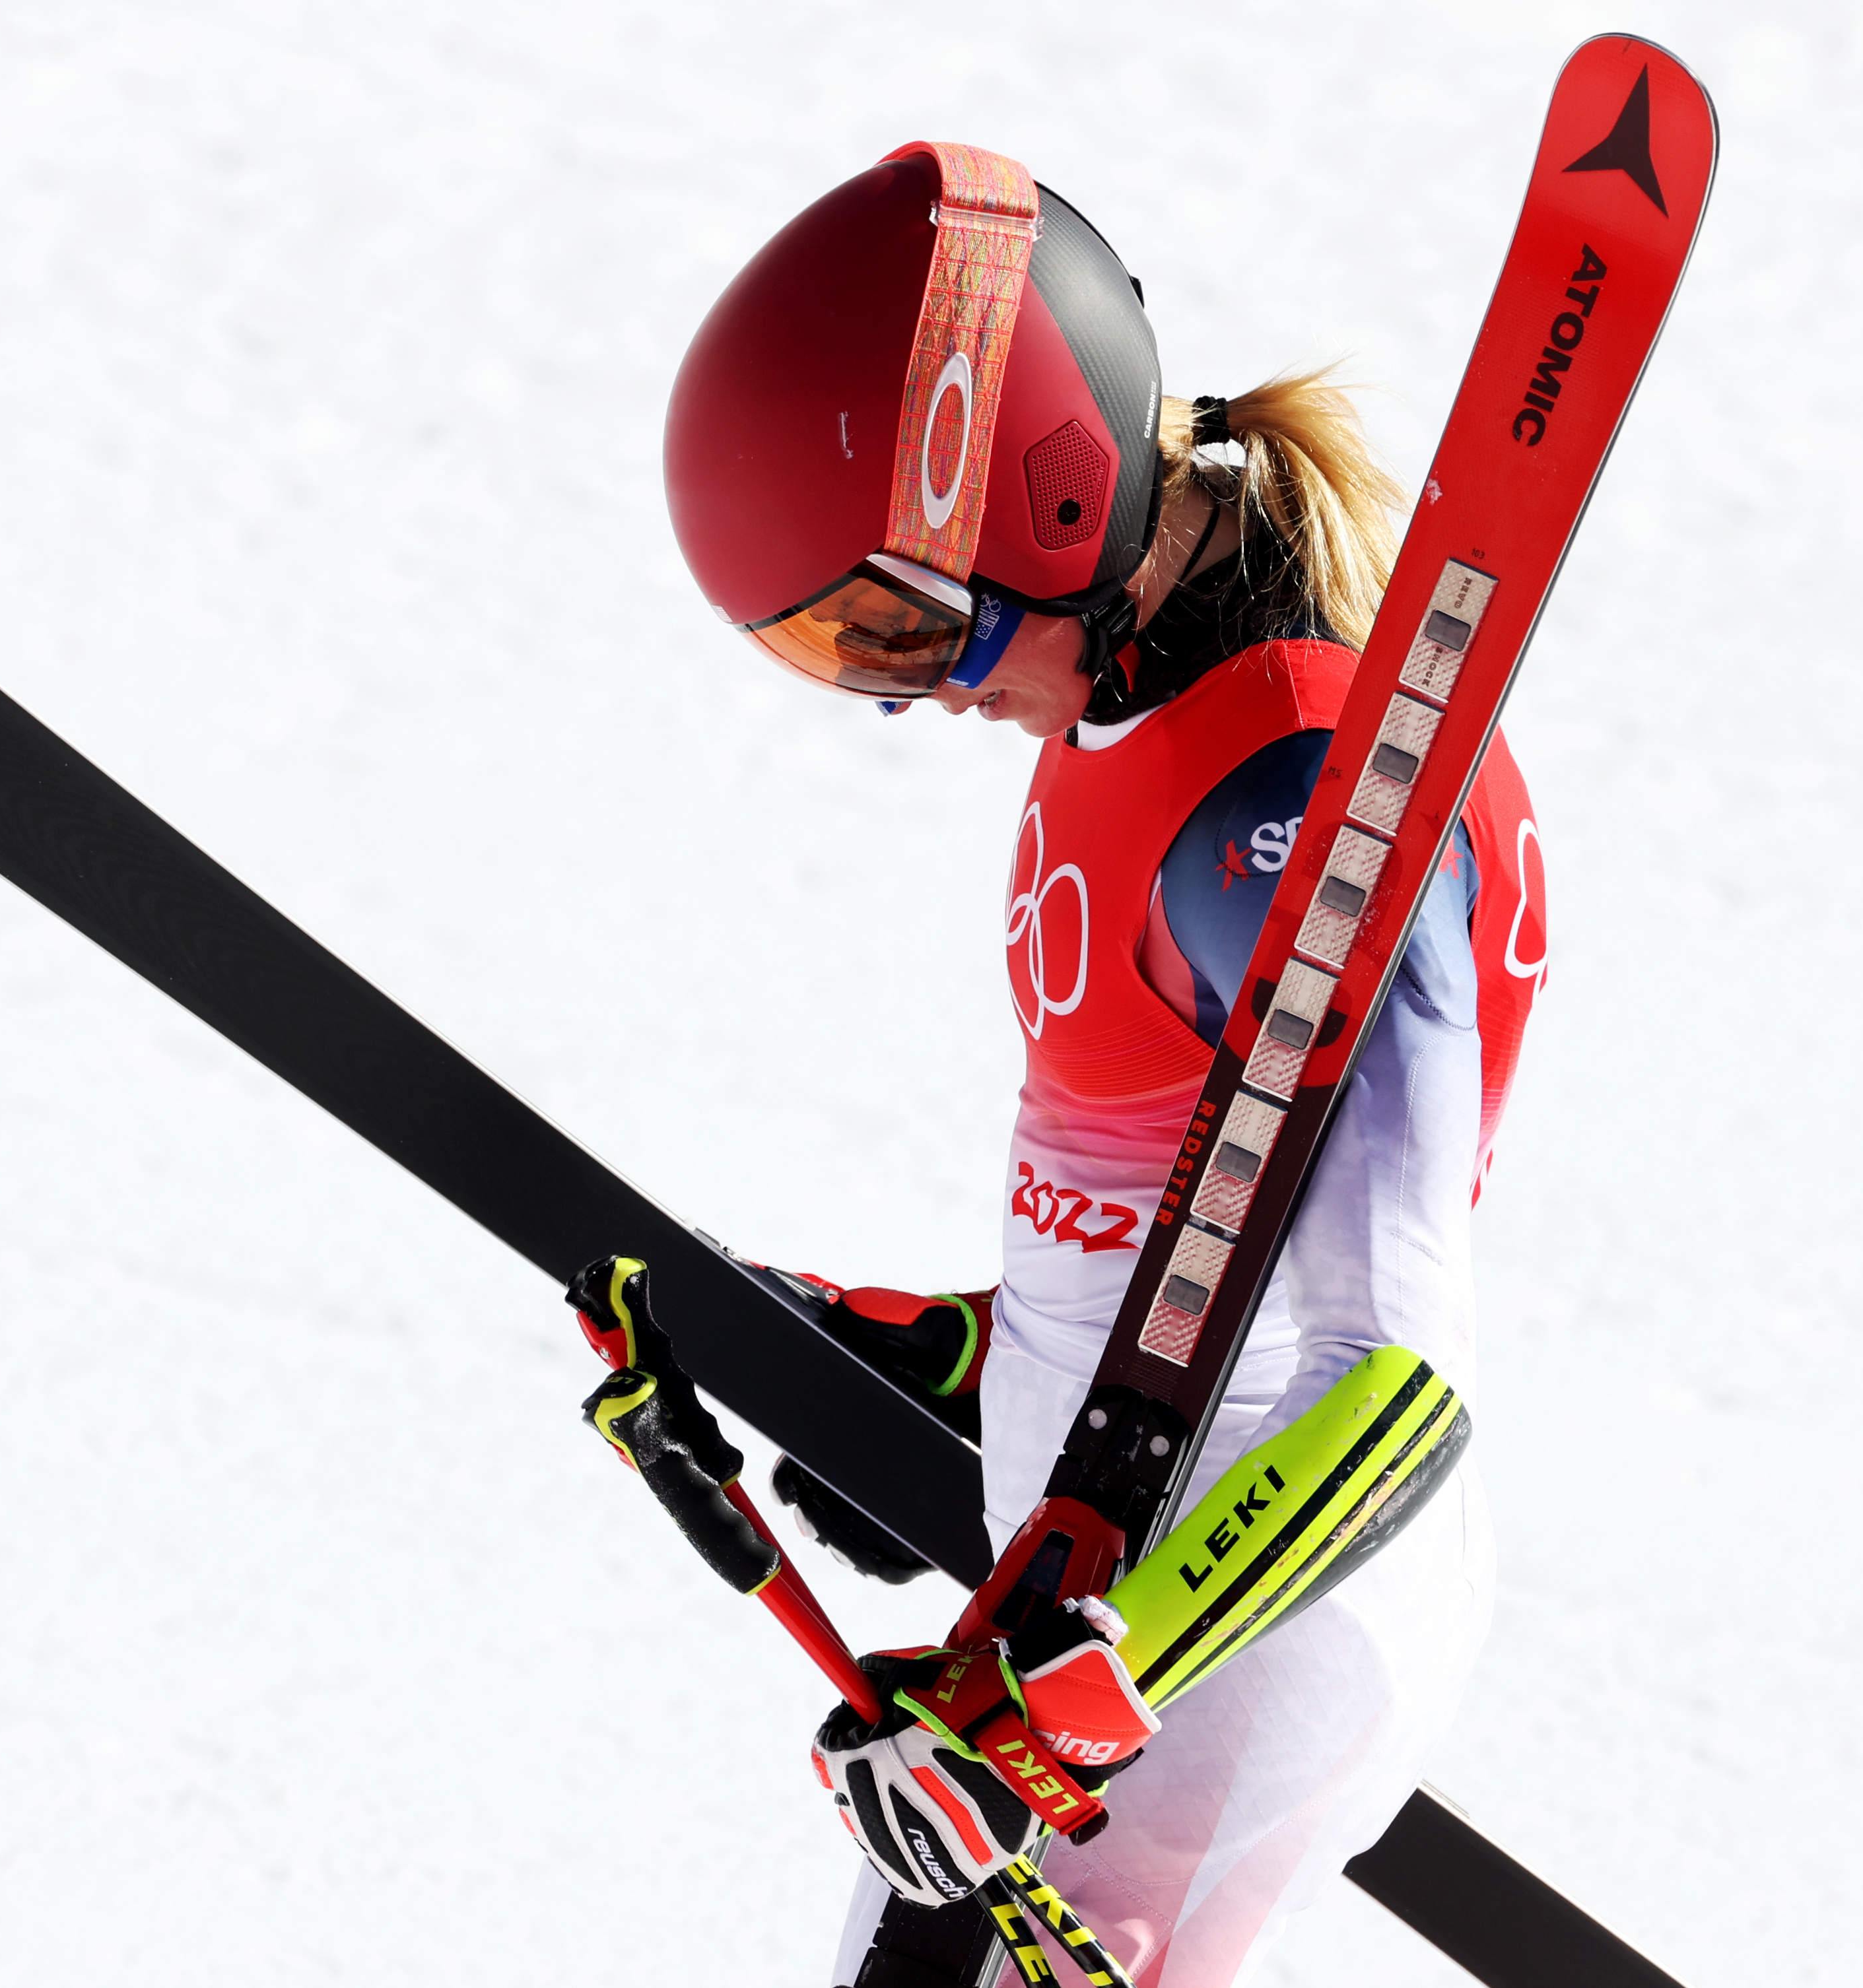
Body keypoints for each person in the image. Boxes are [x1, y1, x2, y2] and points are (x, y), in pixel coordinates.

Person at [659, 143, 1547, 1987]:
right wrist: (944, 1359)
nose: (912, 695)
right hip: (1086, 1599)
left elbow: (1394, 1380)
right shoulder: (1136, 719)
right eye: (840, 657)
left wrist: (1088, 1692)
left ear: (1050, 501)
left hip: (1243, 1632)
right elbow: (1183, 1231)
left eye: (900, 625)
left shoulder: (1291, 799)